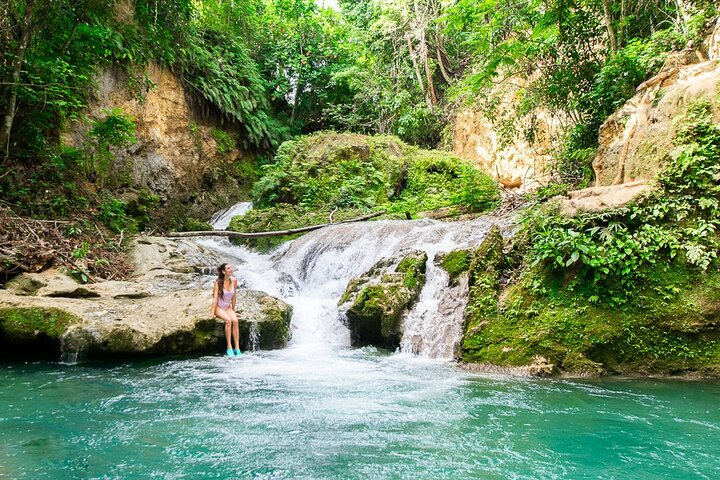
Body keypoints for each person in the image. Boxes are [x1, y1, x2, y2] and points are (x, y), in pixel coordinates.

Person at [211, 263, 242, 357]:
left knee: (235, 321)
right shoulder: (218, 282)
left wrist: (233, 309)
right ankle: (229, 347)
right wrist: (212, 312)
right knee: (228, 321)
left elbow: (234, 296)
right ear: (223, 271)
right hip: (219, 307)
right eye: (228, 268)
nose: (231, 269)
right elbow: (215, 298)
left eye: (231, 268)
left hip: (227, 307)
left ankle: (237, 347)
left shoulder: (234, 281)